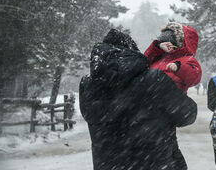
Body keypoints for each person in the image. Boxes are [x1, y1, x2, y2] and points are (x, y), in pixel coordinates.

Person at [79, 29, 198, 170]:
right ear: (133, 52)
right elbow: (188, 115)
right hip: (157, 163)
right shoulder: (154, 79)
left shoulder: (87, 85)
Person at [144, 22, 202, 169]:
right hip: (149, 111)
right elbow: (143, 61)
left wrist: (178, 67)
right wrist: (156, 47)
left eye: (169, 42)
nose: (167, 45)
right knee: (162, 151)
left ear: (179, 44)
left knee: (166, 149)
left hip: (167, 111)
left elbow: (195, 75)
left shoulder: (186, 59)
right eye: (163, 41)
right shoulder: (158, 58)